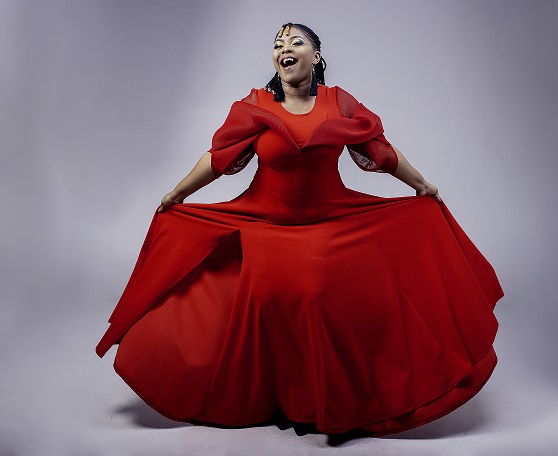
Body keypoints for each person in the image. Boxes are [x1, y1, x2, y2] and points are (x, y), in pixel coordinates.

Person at [96, 22, 504, 442]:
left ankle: (336, 399)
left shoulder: (339, 103)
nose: (284, 49)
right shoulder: (254, 106)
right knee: (264, 291)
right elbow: (217, 158)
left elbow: (380, 151)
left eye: (295, 42)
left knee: (321, 291)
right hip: (264, 220)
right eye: (278, 44)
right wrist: (177, 194)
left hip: (331, 218)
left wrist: (421, 185)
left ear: (316, 56)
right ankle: (262, 395)